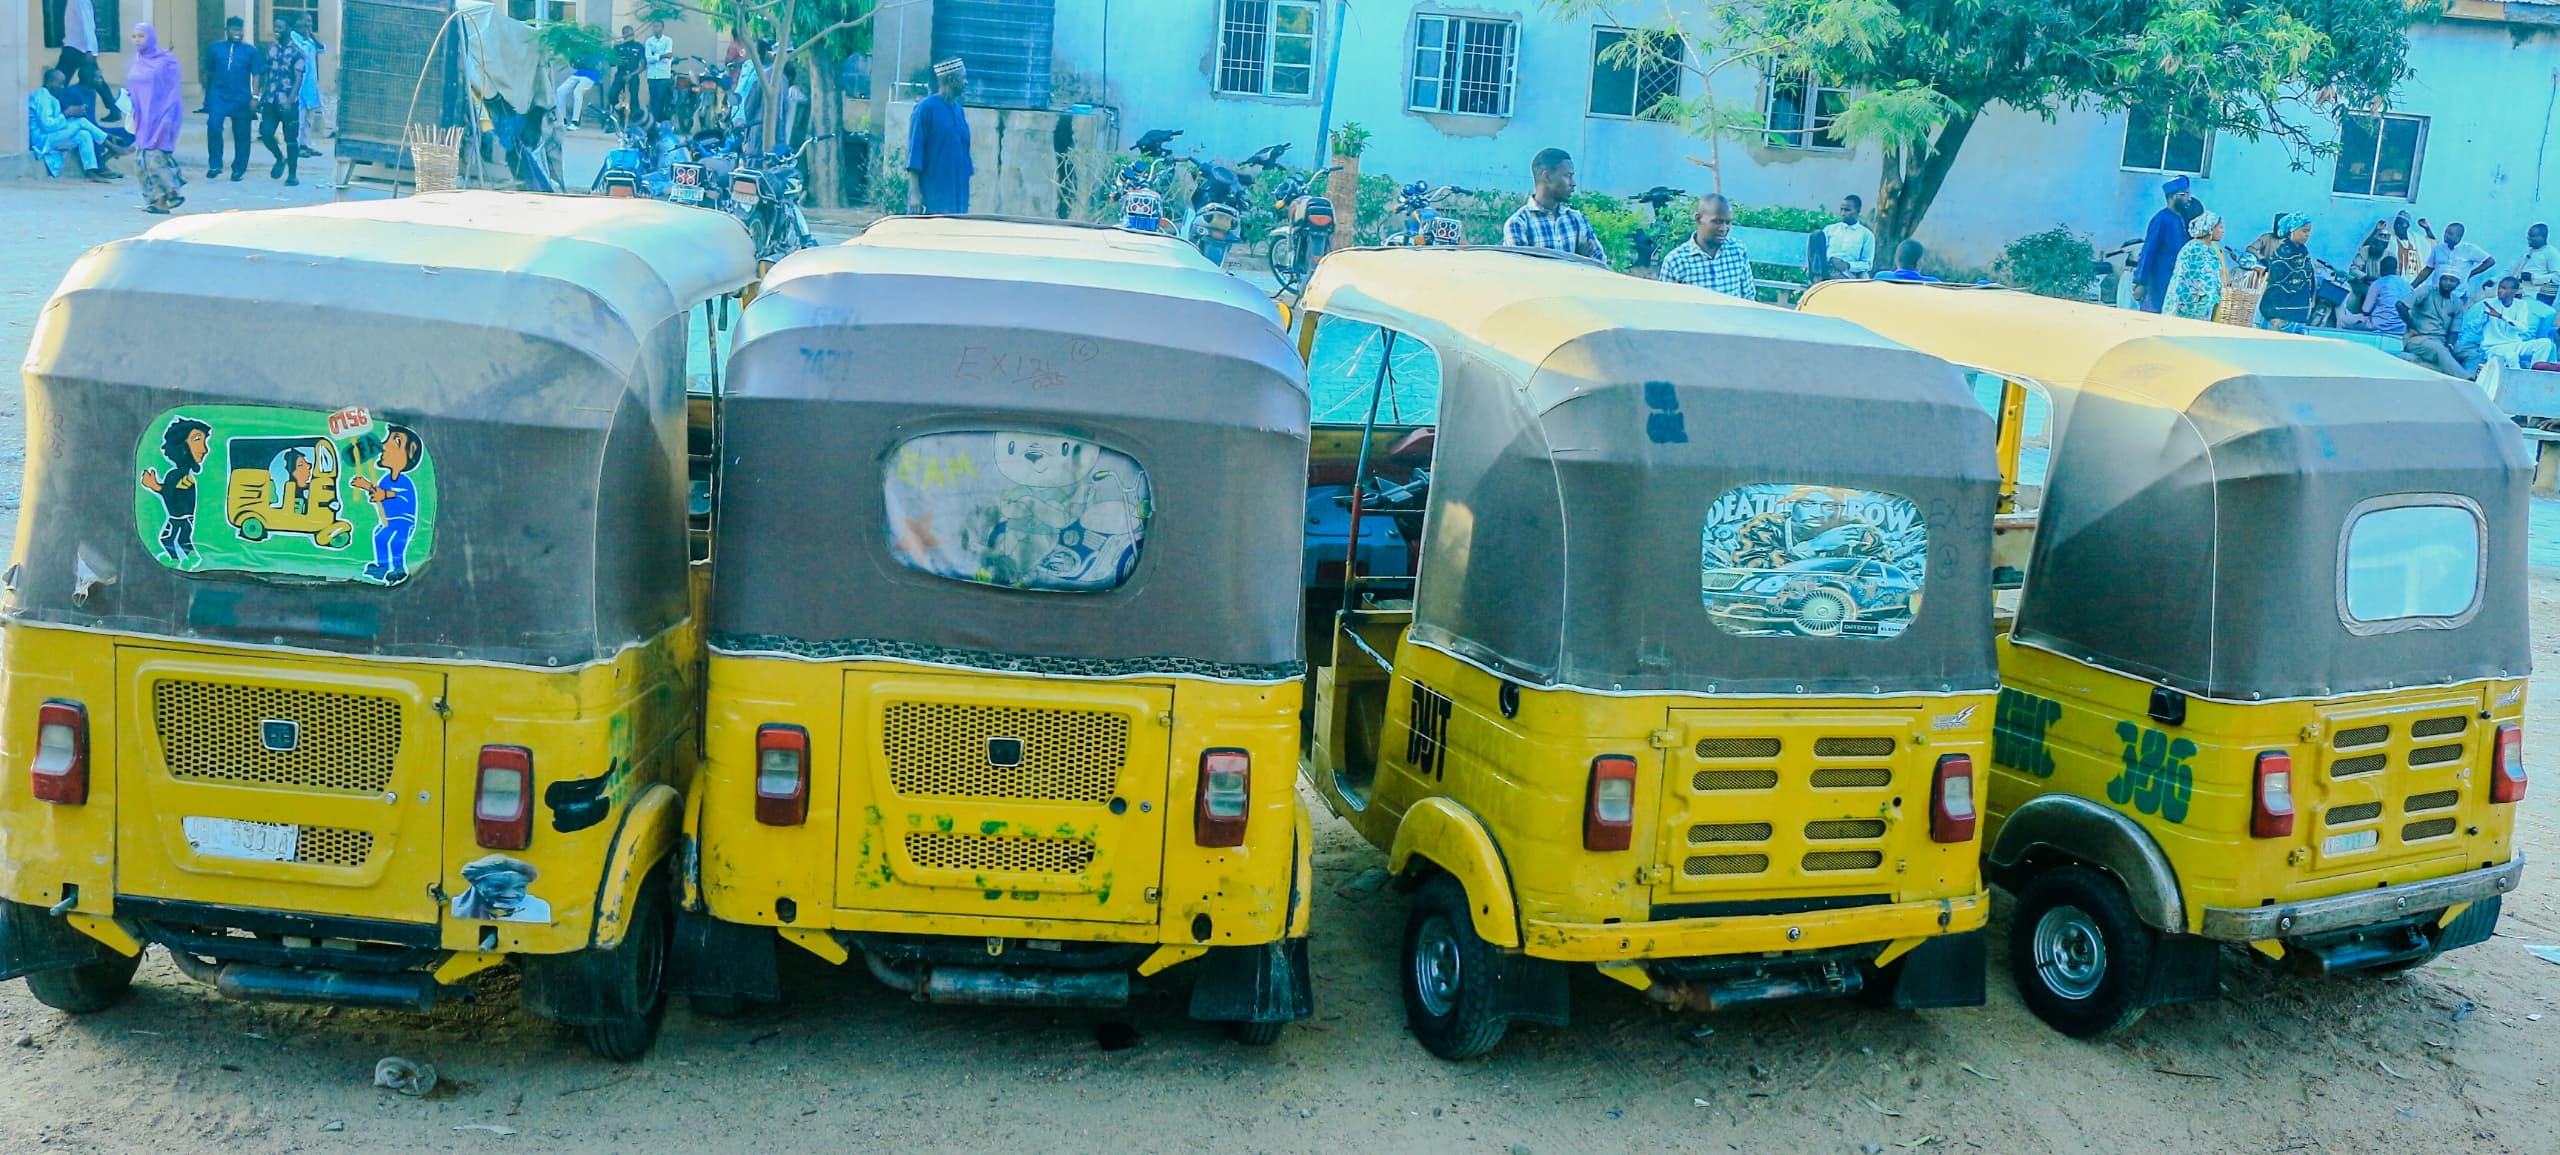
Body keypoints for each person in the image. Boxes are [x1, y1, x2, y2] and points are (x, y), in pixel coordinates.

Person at [1501, 148, 1606, 262]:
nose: (1573, 183)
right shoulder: (1519, 224)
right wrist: (1580, 260)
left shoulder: (1576, 220)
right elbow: (1520, 272)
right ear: (1547, 177)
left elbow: (1599, 263)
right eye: (1568, 176)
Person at [126, 22, 185, 213]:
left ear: (150, 37)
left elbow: (173, 90)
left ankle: (172, 192)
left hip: (163, 115)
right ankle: (157, 201)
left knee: (155, 157)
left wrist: (167, 116)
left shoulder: (167, 61)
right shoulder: (138, 60)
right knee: (140, 160)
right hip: (143, 116)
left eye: (141, 36)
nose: (137, 40)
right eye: (134, 36)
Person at [906, 58, 973, 214]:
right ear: (951, 80)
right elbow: (914, 152)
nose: (966, 83)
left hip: (956, 194)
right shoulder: (925, 108)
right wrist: (915, 194)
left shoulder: (958, 110)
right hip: (932, 194)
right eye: (963, 78)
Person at [202, 17, 263, 181]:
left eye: (240, 30)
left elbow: (257, 73)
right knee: (214, 126)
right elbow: (208, 73)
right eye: (234, 29)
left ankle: (239, 169)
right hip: (218, 94)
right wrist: (207, 96)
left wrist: (255, 97)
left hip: (241, 96)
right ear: (227, 30)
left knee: (242, 133)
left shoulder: (250, 50)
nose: (238, 33)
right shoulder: (215, 48)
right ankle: (215, 164)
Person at [27, 70, 117, 181]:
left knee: (84, 135)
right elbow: (47, 126)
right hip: (41, 140)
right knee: (81, 122)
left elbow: (56, 124)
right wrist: (67, 113)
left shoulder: (52, 98)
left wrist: (70, 114)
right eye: (60, 83)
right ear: (49, 83)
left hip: (51, 138)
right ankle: (109, 142)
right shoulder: (42, 96)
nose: (63, 86)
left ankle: (91, 171)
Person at [1657, 193, 1752, 297]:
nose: (1723, 229)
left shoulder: (1738, 251)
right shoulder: (1676, 261)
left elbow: (1748, 296)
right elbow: (1667, 305)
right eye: (1717, 222)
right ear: (1698, 219)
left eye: (1728, 222)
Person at [2132, 176, 2197, 312]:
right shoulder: (2161, 219)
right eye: (2184, 194)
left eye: (2189, 194)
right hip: (2158, 279)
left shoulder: (2182, 219)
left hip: (2176, 279)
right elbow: (2148, 251)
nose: (2189, 198)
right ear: (2173, 196)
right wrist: (2141, 283)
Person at [257, 15, 306, 185]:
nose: (276, 29)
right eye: (275, 26)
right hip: (270, 100)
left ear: (289, 29)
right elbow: (266, 74)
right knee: (265, 133)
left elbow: (299, 78)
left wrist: (290, 100)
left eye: (280, 26)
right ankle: (279, 158)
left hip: (288, 102)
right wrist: (260, 96)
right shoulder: (271, 49)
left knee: (291, 139)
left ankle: (292, 175)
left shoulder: (298, 52)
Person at [2475, 278, 2559, 372]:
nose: (2500, 291)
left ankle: (2535, 372)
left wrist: (2501, 317)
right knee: (2511, 355)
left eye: (2504, 288)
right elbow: (2474, 326)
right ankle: (2517, 379)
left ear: (2514, 291)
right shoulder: (2489, 303)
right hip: (2493, 347)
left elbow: (2523, 328)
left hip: (2514, 344)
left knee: (2545, 343)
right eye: (2499, 288)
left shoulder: (2521, 305)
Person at [2400, 272, 2472, 378]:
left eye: (2452, 281)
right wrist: (2411, 327)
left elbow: (2454, 331)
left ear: (2457, 284)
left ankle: (2469, 375)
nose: (2447, 283)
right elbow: (2400, 305)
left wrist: (2450, 345)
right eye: (2445, 279)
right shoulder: (2426, 291)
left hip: (2442, 341)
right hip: (2419, 339)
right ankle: (2466, 380)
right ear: (2439, 280)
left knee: (2472, 355)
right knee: (2440, 350)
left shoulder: (2457, 303)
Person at [2165, 212, 2229, 321]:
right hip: (2189, 309)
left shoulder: (2211, 249)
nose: (2223, 231)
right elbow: (2192, 281)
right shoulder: (2195, 249)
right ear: (2211, 229)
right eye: (2220, 227)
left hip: (2204, 308)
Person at [2258, 214, 2316, 330]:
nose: (2307, 235)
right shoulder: (2283, 254)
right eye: (2304, 231)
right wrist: (2271, 315)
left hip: (2299, 316)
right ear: (2292, 231)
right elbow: (2274, 286)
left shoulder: (2303, 252)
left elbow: (2309, 279)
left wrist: (2309, 305)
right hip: (2280, 317)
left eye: (2309, 231)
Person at [2419, 222, 2496, 300]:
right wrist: (2413, 286)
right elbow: (2428, 269)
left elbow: (2490, 261)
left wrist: (2471, 273)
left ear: (2459, 237)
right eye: (2445, 232)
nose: (2445, 236)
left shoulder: (2469, 249)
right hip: (2436, 294)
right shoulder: (2438, 249)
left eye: (2450, 234)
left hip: (2458, 295)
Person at [290, 15, 326, 156]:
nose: (307, 27)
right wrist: (306, 36)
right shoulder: (293, 39)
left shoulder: (310, 40)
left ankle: (305, 144)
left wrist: (311, 35)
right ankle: (296, 147)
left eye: (309, 24)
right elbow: (302, 54)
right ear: (297, 25)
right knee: (298, 118)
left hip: (310, 85)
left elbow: (322, 49)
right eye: (304, 24)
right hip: (298, 85)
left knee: (308, 118)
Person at [1821, 194, 1875, 279]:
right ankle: (1817, 279)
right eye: (1841, 209)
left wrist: (1847, 265)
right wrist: (1831, 260)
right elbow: (1819, 253)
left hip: (1848, 275)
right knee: (1816, 235)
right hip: (1826, 269)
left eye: (1847, 210)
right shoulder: (1829, 229)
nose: (1843, 213)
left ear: (1857, 211)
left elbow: (1867, 264)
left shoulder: (1866, 235)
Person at [2360, 256, 2411, 337]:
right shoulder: (2407, 285)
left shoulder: (2378, 283)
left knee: (2344, 321)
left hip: (2379, 326)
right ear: (2396, 269)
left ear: (2381, 269)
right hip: (2402, 328)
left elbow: (2365, 310)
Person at [2510, 223, 2559, 306]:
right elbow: (2512, 269)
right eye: (2528, 236)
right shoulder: (2528, 251)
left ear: (2543, 237)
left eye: (2532, 236)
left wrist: (2533, 277)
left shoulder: (2551, 253)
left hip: (2539, 296)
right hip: (2522, 293)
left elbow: (2557, 276)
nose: (2529, 238)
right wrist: (2494, 280)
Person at [605, 26, 644, 129]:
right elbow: (611, 63)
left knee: (634, 100)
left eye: (630, 33)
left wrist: (631, 75)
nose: (628, 35)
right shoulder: (618, 47)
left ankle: (636, 123)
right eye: (625, 33)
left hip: (633, 75)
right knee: (612, 95)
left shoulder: (639, 46)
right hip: (620, 75)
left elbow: (643, 66)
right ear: (623, 34)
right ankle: (619, 112)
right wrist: (616, 58)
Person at [555, 57, 601, 128]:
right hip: (579, 74)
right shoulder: (580, 49)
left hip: (591, 75)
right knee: (560, 91)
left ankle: (575, 122)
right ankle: (562, 120)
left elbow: (596, 65)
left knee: (577, 92)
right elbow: (576, 65)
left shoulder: (596, 49)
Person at [644, 22, 675, 122]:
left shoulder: (668, 40)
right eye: (654, 26)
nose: (655, 28)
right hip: (652, 75)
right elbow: (648, 59)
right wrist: (662, 56)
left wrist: (657, 57)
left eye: (657, 26)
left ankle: (657, 122)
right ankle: (653, 122)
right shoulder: (649, 41)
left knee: (660, 99)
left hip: (664, 75)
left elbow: (668, 57)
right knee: (653, 100)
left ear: (662, 28)